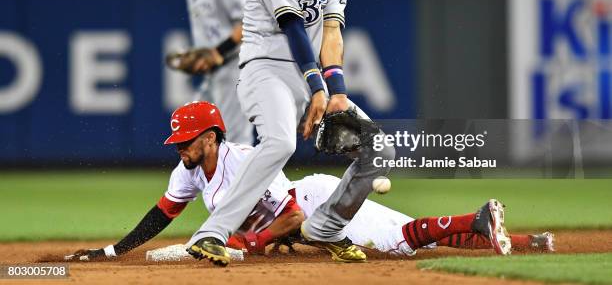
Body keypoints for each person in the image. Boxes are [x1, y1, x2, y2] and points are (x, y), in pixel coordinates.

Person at [184, 0, 398, 266]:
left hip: (307, 75)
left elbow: (331, 33)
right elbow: (293, 28)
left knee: (379, 149)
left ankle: (326, 227)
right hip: (265, 69)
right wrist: (317, 86)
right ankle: (212, 232)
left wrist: (337, 91)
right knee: (280, 143)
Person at [64, 102, 551, 263]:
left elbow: (292, 216)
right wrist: (111, 253)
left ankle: (481, 217)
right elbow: (160, 215)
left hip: (313, 203)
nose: (179, 148)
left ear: (212, 138)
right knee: (407, 240)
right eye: (178, 142)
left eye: (187, 141)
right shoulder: (187, 170)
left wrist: (248, 243)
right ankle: (531, 243)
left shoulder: (249, 160)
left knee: (401, 243)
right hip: (297, 220)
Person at [180, 0, 252, 144]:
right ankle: (206, 179)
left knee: (236, 139)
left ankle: (246, 180)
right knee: (195, 128)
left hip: (235, 67)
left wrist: (218, 51)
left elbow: (250, 21)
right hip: (214, 71)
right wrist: (201, 55)